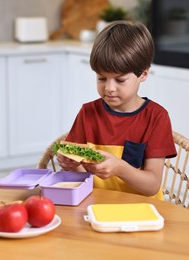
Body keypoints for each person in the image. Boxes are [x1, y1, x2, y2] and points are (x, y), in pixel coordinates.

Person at [57, 20, 177, 200]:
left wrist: (121, 168)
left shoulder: (156, 117)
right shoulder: (87, 113)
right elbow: (82, 179)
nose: (109, 88)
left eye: (120, 80)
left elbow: (152, 186)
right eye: (101, 78)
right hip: (96, 206)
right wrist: (72, 164)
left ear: (143, 74)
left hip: (142, 211)